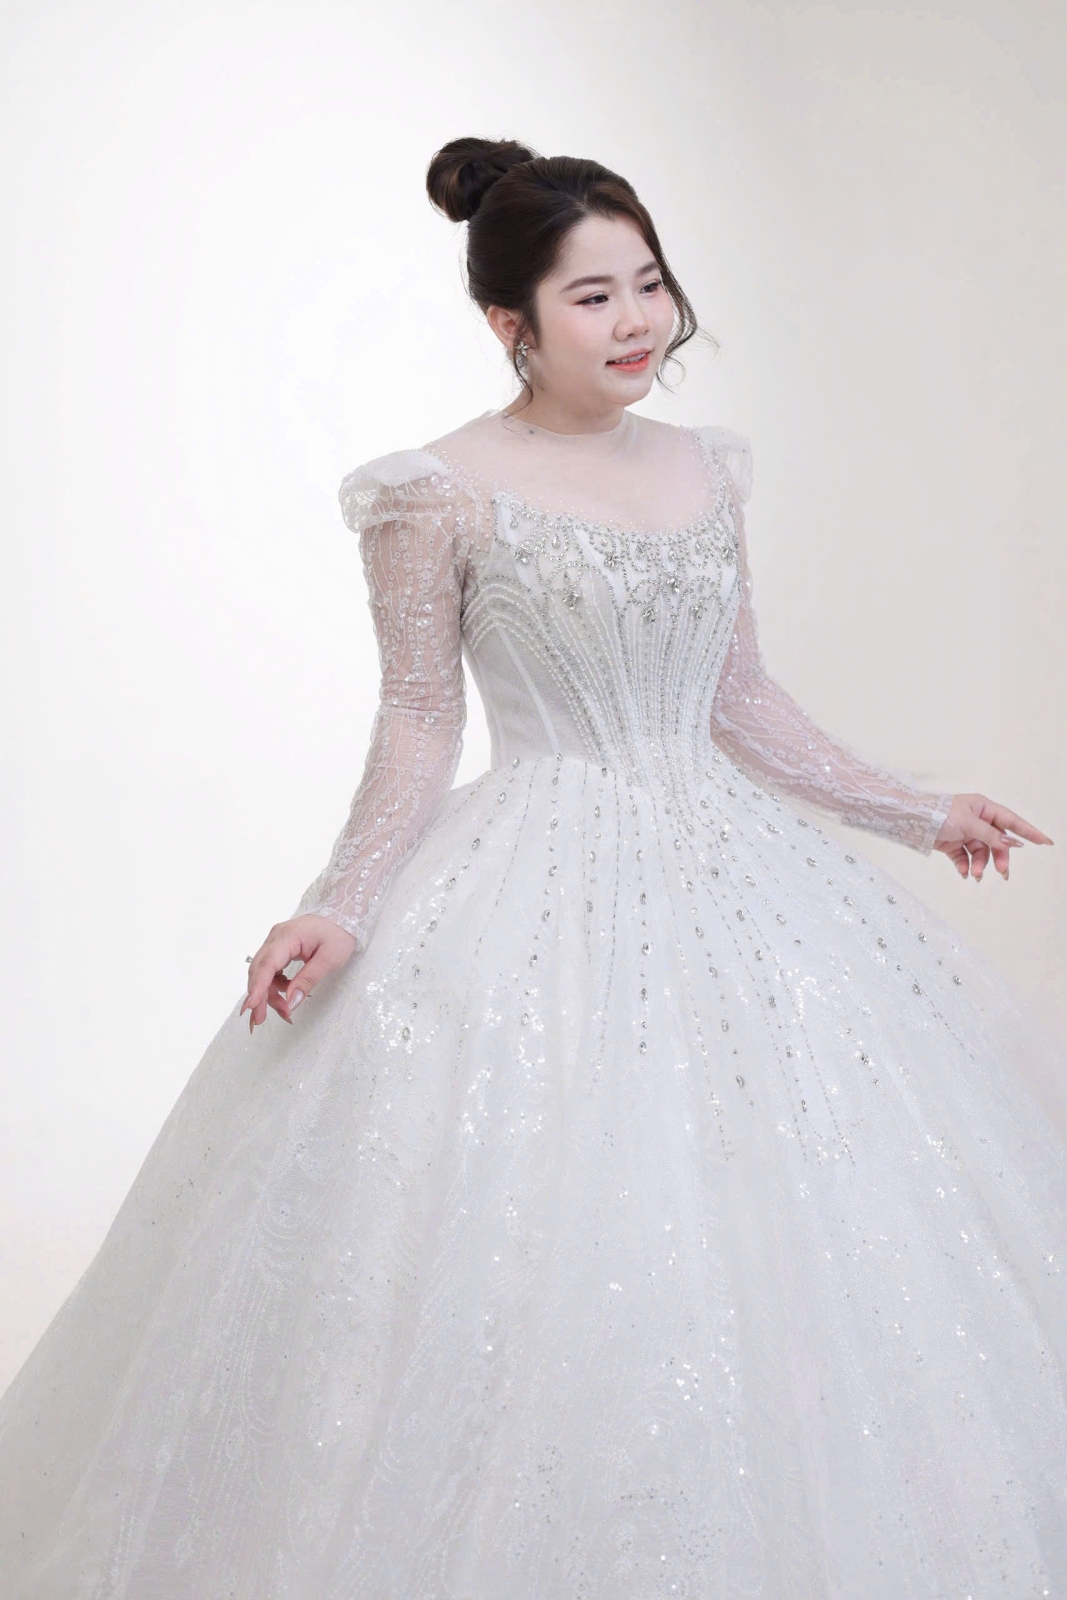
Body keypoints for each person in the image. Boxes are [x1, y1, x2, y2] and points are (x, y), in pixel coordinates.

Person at [1, 136, 1064, 1598]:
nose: (638, 322)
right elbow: (419, 720)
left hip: (739, 877)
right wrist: (339, 905)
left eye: (650, 285)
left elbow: (742, 699)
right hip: (529, 881)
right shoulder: (434, 492)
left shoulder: (705, 467)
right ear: (510, 321)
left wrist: (918, 810)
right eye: (593, 297)